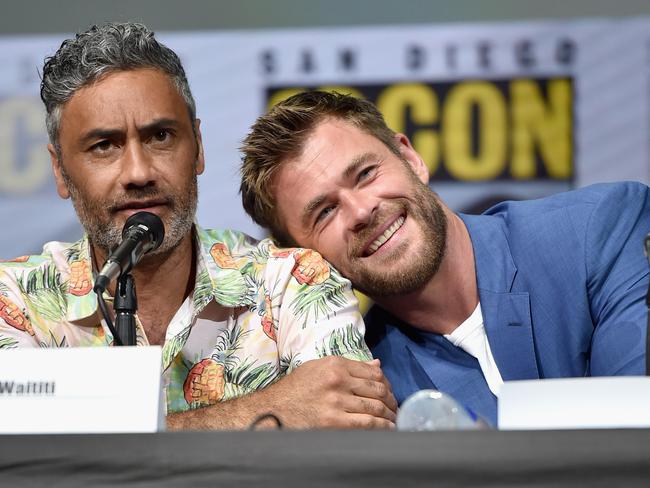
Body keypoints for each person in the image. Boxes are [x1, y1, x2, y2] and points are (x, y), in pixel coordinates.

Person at [0, 25, 397, 430]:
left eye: (160, 136)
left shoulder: (292, 281)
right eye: (104, 146)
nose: (139, 172)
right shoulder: (15, 301)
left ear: (199, 148)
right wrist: (272, 410)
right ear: (61, 170)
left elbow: (353, 435)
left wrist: (93, 436)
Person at [240, 90, 650, 426]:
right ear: (303, 258)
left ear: (410, 158)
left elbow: (636, 427)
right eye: (325, 212)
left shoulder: (600, 228)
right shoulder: (370, 385)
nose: (362, 211)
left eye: (365, 174)